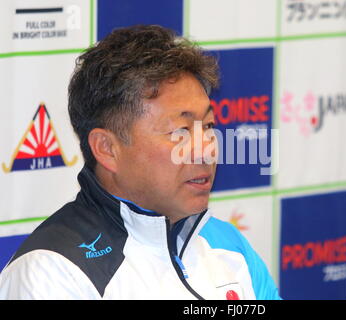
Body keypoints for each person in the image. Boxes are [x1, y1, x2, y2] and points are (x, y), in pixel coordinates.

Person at [0, 25, 281, 300]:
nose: (206, 149)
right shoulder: (53, 274)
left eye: (208, 126)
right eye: (180, 132)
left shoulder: (227, 245)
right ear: (107, 148)